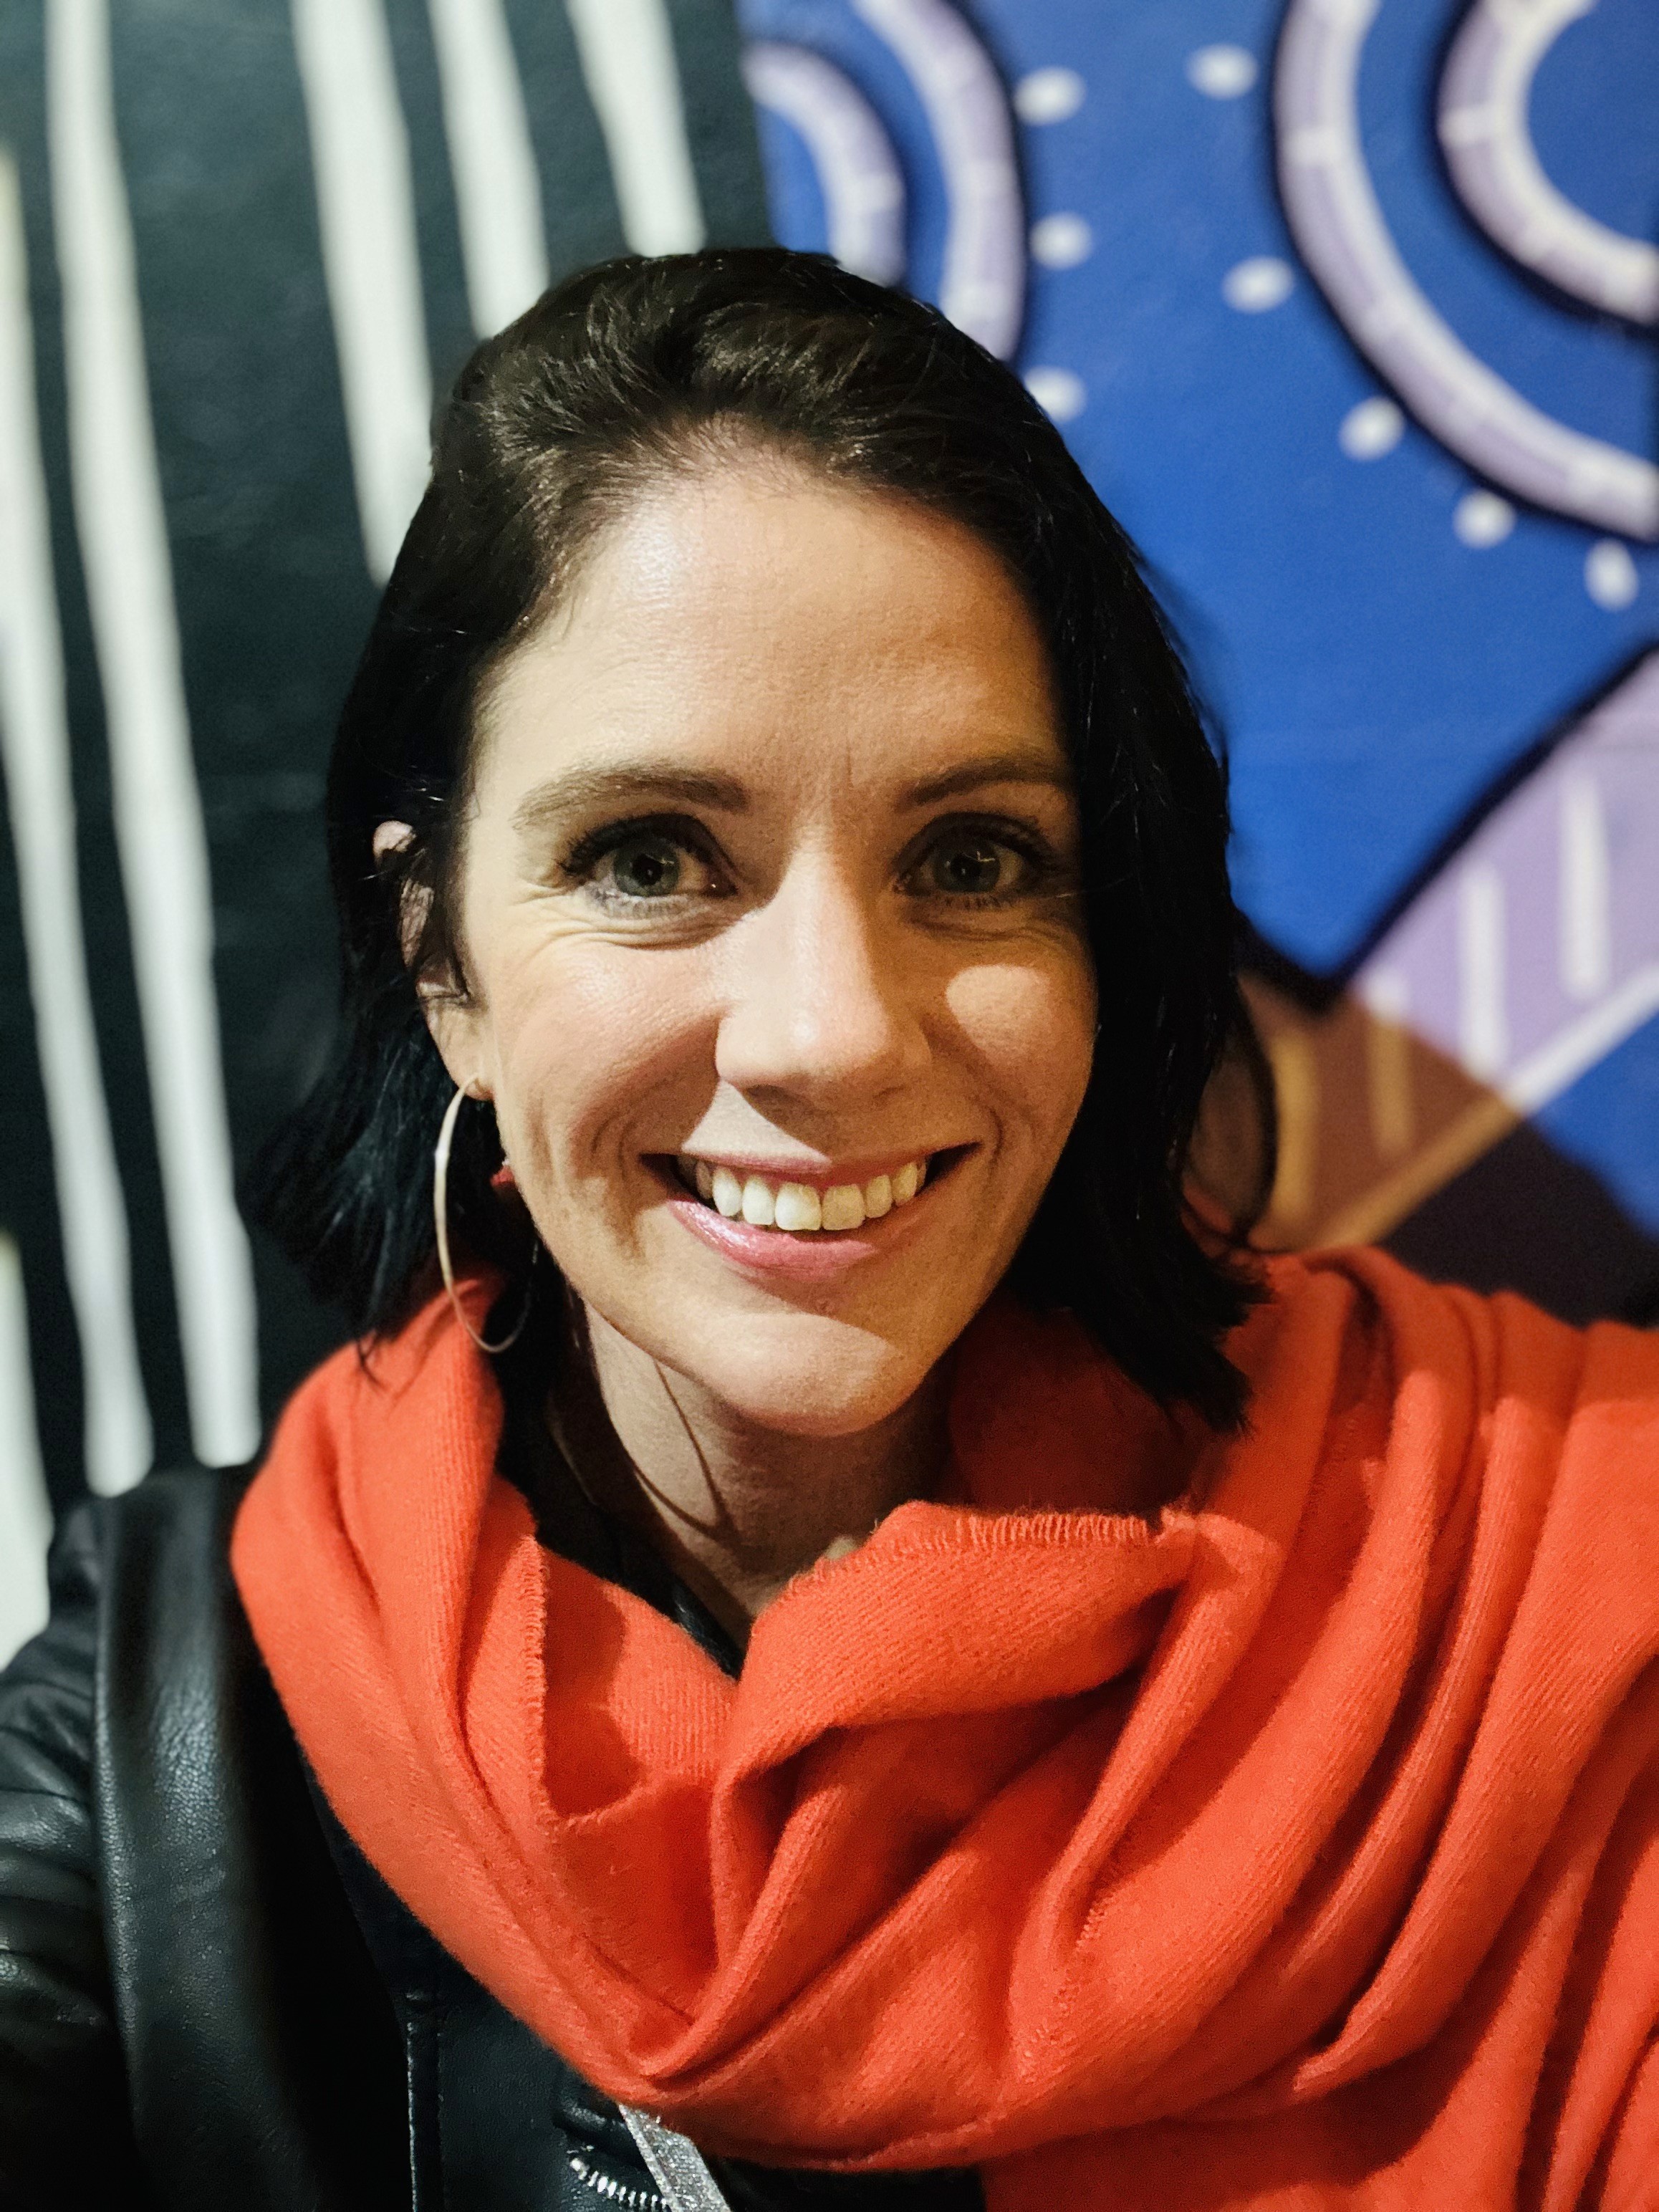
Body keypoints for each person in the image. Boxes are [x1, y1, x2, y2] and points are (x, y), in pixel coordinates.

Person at [3, 249, 1658, 2212]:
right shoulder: (166, 1732)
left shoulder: (1559, 1569)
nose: (832, 1035)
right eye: (648, 860)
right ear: (436, 953)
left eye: (970, 860)